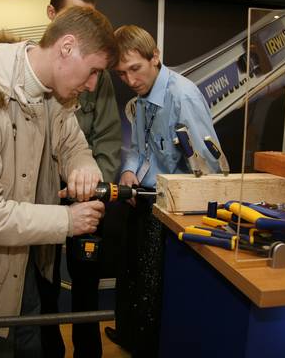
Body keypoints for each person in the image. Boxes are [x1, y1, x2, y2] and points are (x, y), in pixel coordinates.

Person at [0, 5, 117, 357]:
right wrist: (67, 220)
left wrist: (83, 166)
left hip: (27, 265)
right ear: (66, 47)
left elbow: (74, 144)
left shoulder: (53, 93)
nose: (93, 84)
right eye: (93, 70)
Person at [107, 25, 220, 357]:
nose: (129, 80)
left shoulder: (182, 97)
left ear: (155, 57)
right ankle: (130, 336)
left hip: (172, 211)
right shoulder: (142, 98)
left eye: (135, 69)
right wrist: (129, 170)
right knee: (132, 276)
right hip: (143, 201)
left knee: (155, 290)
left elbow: (207, 168)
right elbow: (139, 150)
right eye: (121, 73)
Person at [44, 0, 123, 358]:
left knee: (86, 285)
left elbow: (107, 139)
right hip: (42, 200)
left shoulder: (98, 76)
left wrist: (93, 190)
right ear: (52, 15)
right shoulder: (35, 72)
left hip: (86, 197)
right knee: (43, 284)